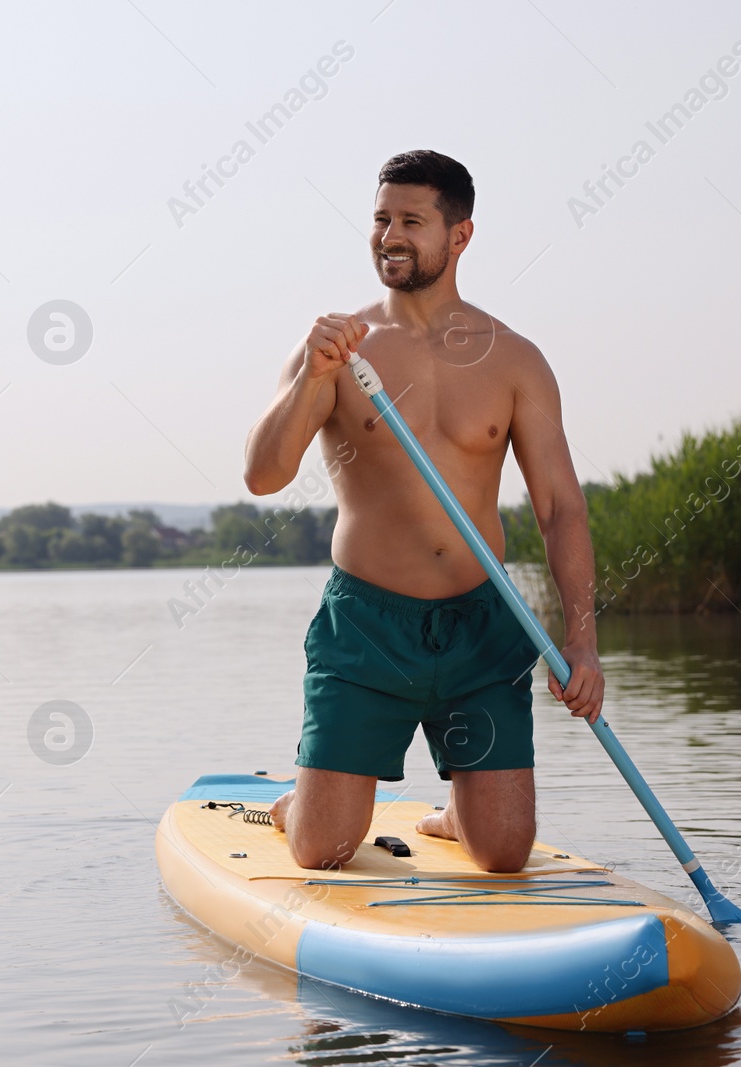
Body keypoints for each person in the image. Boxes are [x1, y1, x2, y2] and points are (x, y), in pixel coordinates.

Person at [242, 150, 604, 874]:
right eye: (381, 219)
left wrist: (582, 642)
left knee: (504, 853)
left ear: (460, 236)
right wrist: (311, 378)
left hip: (482, 623)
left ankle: (449, 817)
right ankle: (297, 805)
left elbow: (561, 508)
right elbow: (264, 474)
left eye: (411, 220)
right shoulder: (340, 349)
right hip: (367, 625)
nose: (390, 236)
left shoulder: (515, 360)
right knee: (323, 850)